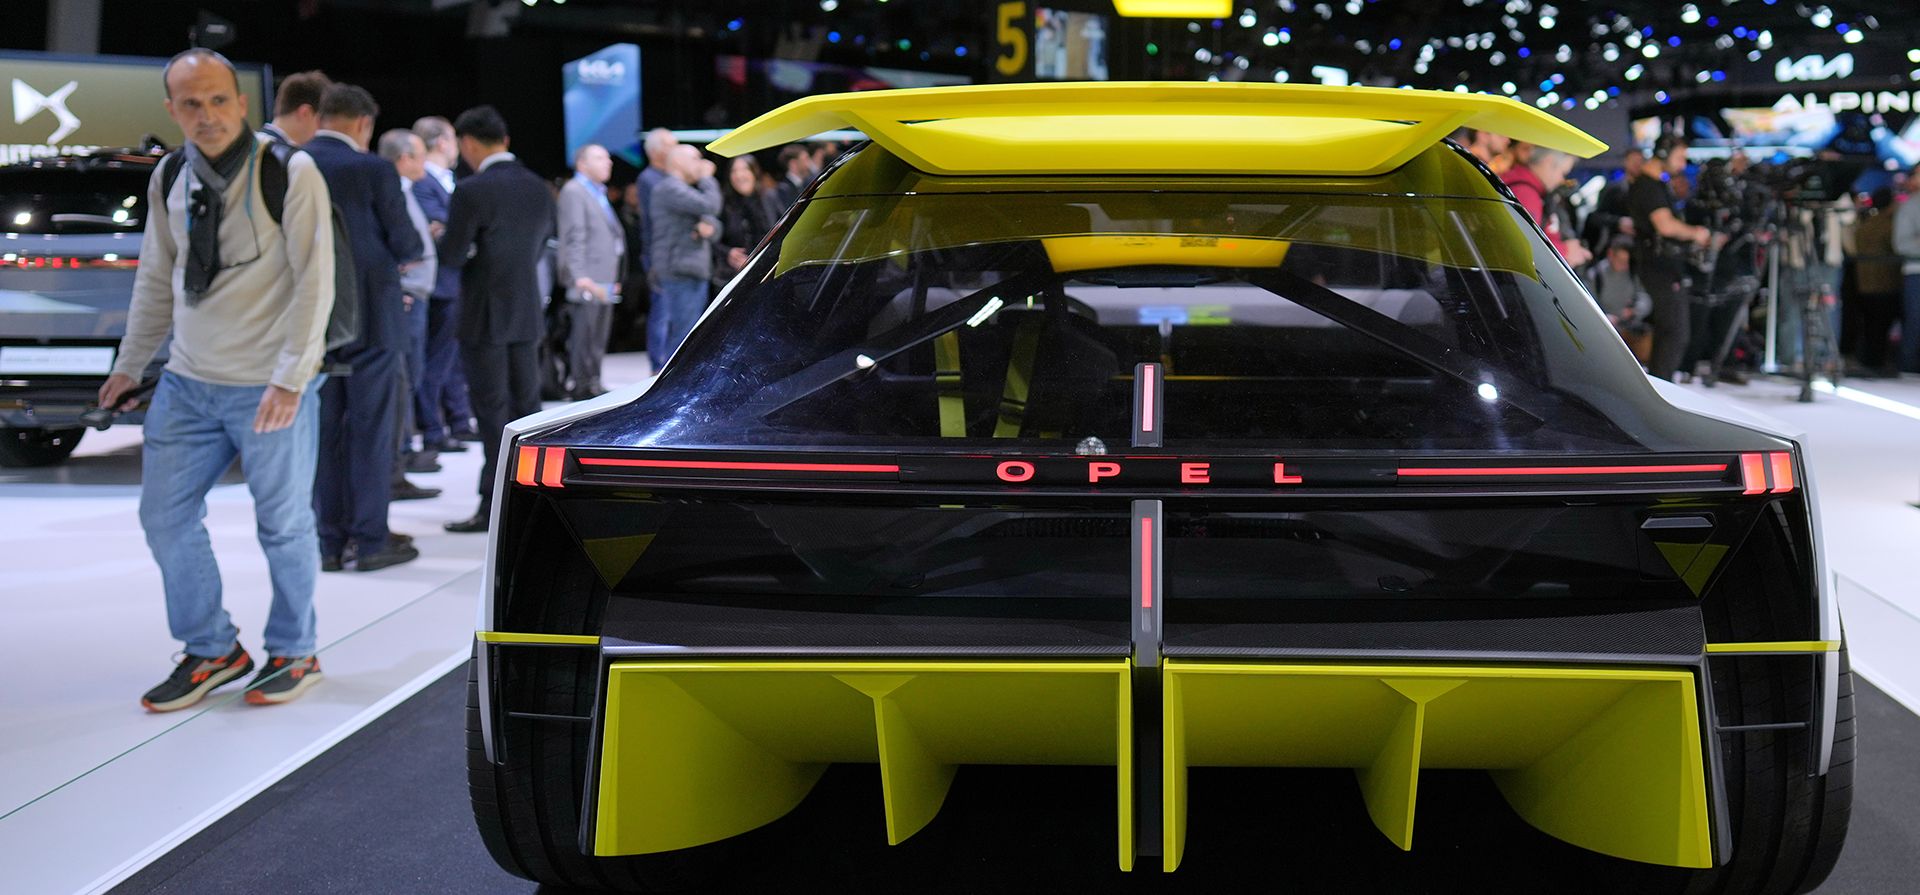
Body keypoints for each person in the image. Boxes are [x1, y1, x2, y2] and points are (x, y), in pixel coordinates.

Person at [101, 49, 335, 710]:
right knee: (164, 518)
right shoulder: (171, 175)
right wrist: (130, 364)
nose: (207, 115)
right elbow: (156, 277)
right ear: (172, 110)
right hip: (187, 383)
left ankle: (296, 649)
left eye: (218, 100)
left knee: (284, 524)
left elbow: (317, 281)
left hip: (270, 384)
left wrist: (292, 377)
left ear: (241, 103)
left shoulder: (290, 170)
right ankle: (211, 648)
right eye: (191, 104)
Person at [303, 84, 425, 571]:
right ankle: (370, 540)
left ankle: (328, 542)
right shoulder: (373, 168)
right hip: (372, 319)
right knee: (372, 431)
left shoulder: (293, 163)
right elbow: (407, 243)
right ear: (362, 124)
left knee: (324, 432)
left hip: (312, 322)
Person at [438, 105, 555, 533]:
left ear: (469, 143)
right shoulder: (538, 187)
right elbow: (541, 246)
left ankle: (493, 507)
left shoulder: (471, 191)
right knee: (528, 411)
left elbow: (451, 256)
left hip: (484, 315)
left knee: (491, 414)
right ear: (504, 140)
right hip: (526, 311)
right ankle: (533, 502)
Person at [379, 129, 445, 470]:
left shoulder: (405, 192)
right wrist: (400, 285)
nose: (424, 164)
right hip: (406, 296)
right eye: (419, 156)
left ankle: (405, 446)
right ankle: (401, 451)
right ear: (404, 159)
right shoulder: (393, 193)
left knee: (411, 374)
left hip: (413, 294)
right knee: (403, 376)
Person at [409, 115, 477, 451]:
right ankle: (433, 430)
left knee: (451, 358)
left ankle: (458, 422)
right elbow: (440, 227)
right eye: (453, 138)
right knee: (435, 359)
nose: (457, 147)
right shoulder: (422, 182)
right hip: (439, 283)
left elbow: (452, 227)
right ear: (441, 142)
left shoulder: (449, 181)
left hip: (456, 279)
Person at [1629, 138, 1713, 381]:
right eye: (1679, 157)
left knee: (1671, 332)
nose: (1683, 164)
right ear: (1664, 154)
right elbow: (1665, 226)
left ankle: (1660, 387)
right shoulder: (1648, 186)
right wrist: (1695, 233)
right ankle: (1662, 389)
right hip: (1659, 266)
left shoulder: (1654, 184)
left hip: (1662, 265)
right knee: (1674, 332)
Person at [556, 143, 626, 399]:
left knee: (597, 336)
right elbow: (573, 237)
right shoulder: (575, 191)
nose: (608, 162)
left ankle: (593, 381)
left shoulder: (596, 192)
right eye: (600, 158)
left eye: (607, 157)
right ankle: (583, 385)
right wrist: (579, 276)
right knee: (584, 335)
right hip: (587, 278)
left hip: (604, 277)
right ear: (582, 164)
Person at [647, 144, 722, 368]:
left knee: (688, 332)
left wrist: (709, 226)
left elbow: (714, 223)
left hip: (690, 267)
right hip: (680, 268)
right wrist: (708, 178)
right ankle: (668, 385)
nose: (701, 164)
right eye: (696, 158)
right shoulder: (669, 188)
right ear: (679, 162)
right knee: (683, 333)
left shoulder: (683, 191)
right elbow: (711, 205)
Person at [1501, 142, 1591, 268]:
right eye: (1563, 173)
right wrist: (1565, 251)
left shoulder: (1524, 187)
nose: (1561, 179)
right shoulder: (1526, 194)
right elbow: (1519, 246)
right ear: (1548, 162)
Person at [636, 128, 679, 368]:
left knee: (673, 310)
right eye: (671, 145)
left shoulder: (669, 177)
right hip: (659, 251)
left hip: (673, 251)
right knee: (661, 310)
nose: (676, 149)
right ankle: (658, 364)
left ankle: (669, 361)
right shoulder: (649, 179)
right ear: (657, 151)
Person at [711, 154, 780, 290]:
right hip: (732, 278)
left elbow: (784, 231)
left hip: (767, 274)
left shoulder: (769, 198)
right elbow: (713, 239)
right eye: (734, 171)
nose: (739, 175)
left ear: (754, 173)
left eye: (744, 169)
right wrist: (728, 253)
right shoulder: (724, 203)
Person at [258, 70, 331, 146]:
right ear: (305, 113)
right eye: (321, 122)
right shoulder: (289, 155)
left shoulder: (251, 146)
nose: (322, 130)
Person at [1896, 174, 1920, 372]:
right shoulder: (1911, 206)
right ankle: (1908, 367)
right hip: (1916, 272)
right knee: (1916, 321)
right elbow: (1902, 244)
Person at [771, 143, 812, 209]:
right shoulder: (783, 190)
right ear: (793, 163)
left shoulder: (806, 184)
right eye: (805, 159)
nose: (809, 164)